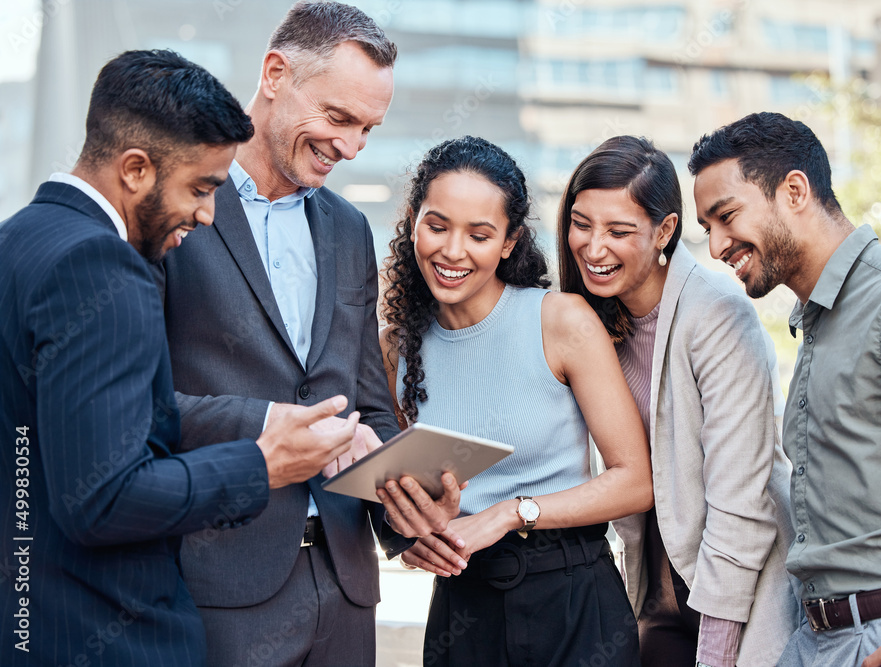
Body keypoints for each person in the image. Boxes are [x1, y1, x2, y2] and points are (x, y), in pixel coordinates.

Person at [0, 49, 362, 667]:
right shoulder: (102, 265)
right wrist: (259, 463)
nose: (206, 213)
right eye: (199, 188)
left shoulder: (19, 238)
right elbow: (102, 499)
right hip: (107, 631)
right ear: (136, 168)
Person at [155, 3, 462, 666]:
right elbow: (145, 406)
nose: (351, 147)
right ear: (274, 74)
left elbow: (367, 403)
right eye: (339, 117)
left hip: (346, 592)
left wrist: (404, 503)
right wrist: (275, 424)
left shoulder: (350, 229)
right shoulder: (173, 205)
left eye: (368, 129)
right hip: (218, 589)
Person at [689, 111, 881, 667]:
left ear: (794, 190)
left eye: (726, 216)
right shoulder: (818, 322)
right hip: (821, 639)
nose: (715, 247)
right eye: (706, 227)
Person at [377, 135, 652, 667]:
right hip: (463, 603)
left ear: (508, 242)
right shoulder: (395, 347)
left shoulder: (561, 321)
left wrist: (509, 514)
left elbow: (635, 480)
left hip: (572, 598)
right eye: (436, 226)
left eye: (479, 235)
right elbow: (395, 490)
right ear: (413, 221)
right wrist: (411, 537)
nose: (452, 251)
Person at [556, 135, 798, 667]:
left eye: (619, 231)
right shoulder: (589, 323)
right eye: (581, 224)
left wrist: (716, 654)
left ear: (665, 230)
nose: (594, 249)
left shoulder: (716, 315)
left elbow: (742, 501)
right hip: (659, 596)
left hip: (739, 598)